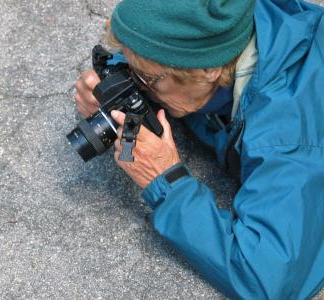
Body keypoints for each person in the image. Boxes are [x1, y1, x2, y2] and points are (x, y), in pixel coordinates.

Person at [74, 0, 324, 298]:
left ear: (208, 68)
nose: (138, 81)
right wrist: (117, 80)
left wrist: (168, 181)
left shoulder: (285, 135)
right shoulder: (229, 22)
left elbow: (266, 277)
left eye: (147, 78)